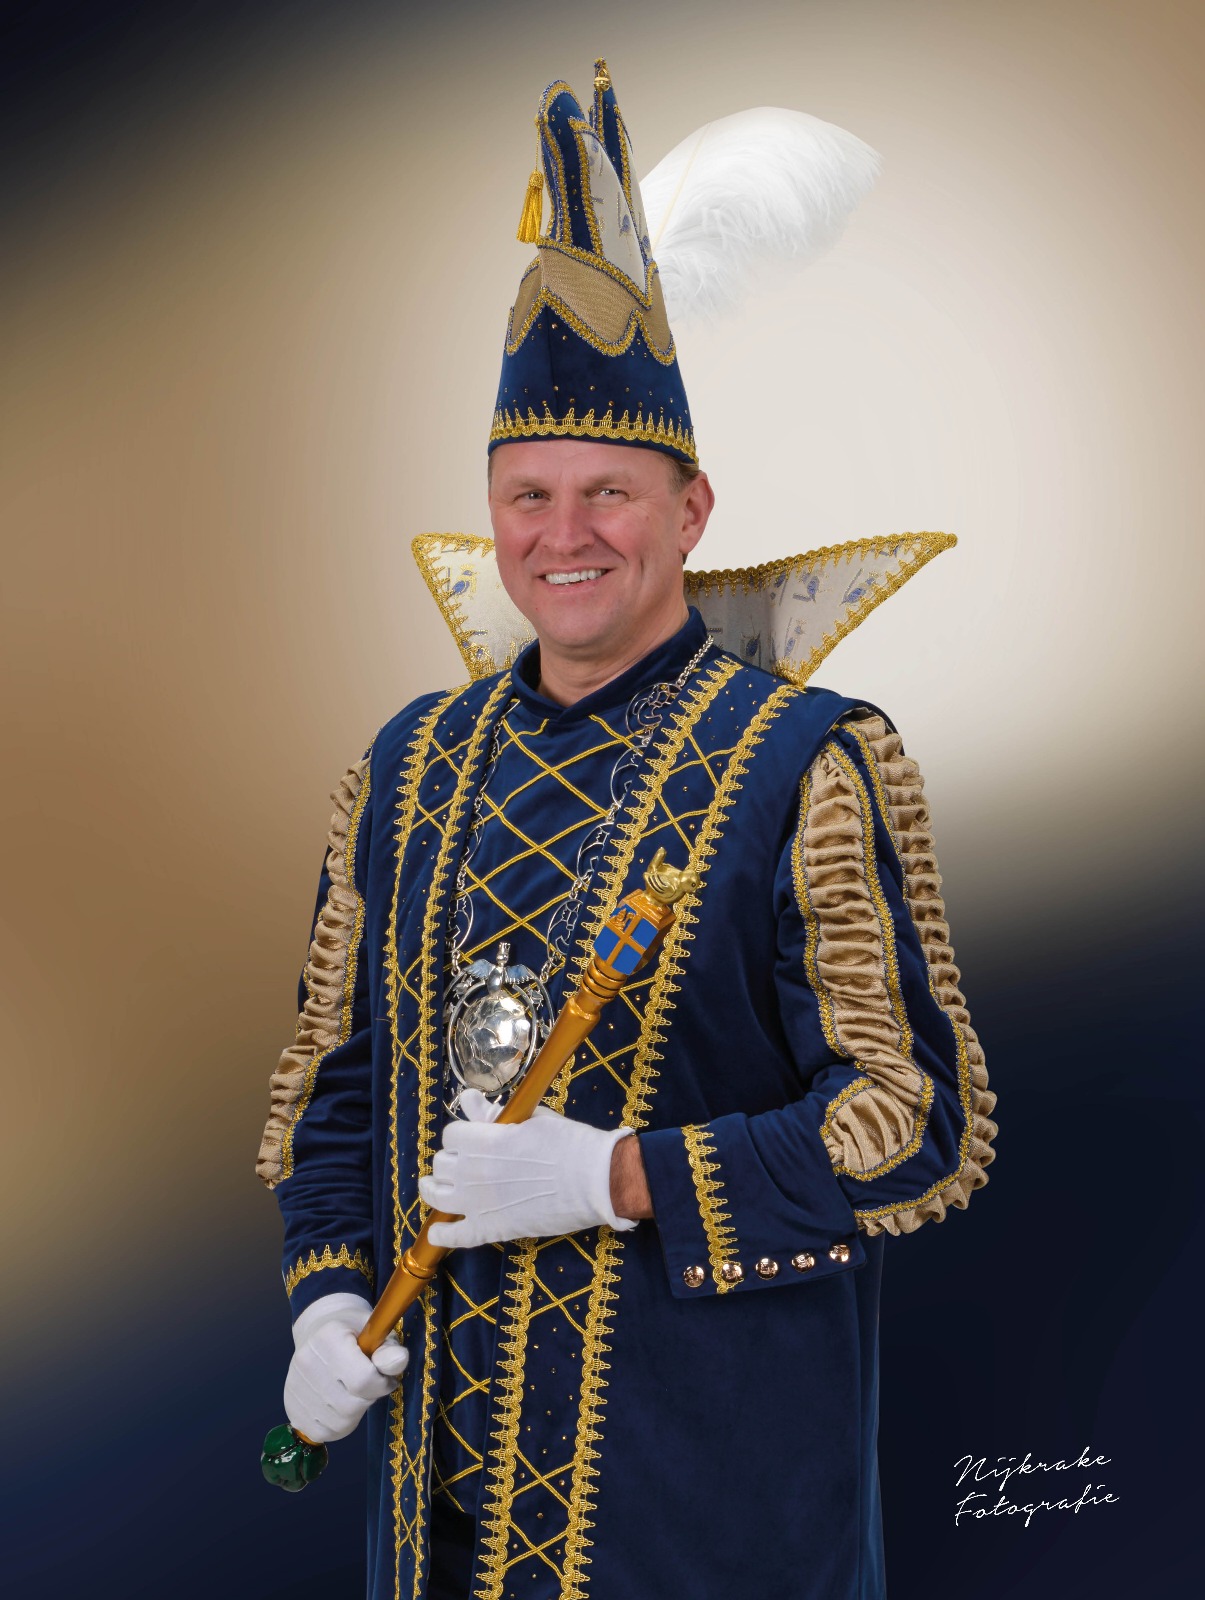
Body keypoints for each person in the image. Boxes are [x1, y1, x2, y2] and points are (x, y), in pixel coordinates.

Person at [257, 63, 996, 1600]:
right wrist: (326, 1302)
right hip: (442, 1527)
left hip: (715, 1516)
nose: (564, 535)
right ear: (490, 508)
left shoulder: (804, 762)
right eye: (528, 495)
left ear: (691, 510)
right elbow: (337, 1098)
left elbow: (910, 1121)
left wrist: (619, 1179)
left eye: (608, 492)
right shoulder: (404, 767)